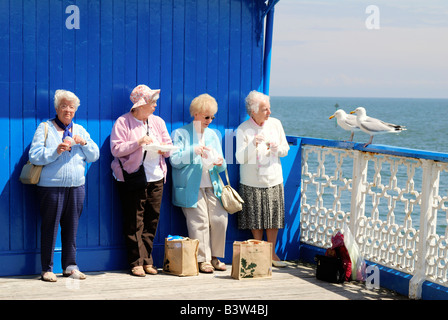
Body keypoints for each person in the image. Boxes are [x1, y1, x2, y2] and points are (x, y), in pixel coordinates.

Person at [29, 89, 100, 282]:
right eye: (63, 106)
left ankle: (70, 266)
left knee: (72, 227)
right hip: (51, 187)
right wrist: (55, 151)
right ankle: (47, 269)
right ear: (57, 108)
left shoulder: (80, 130)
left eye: (71, 107)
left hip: (76, 187)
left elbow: (94, 155)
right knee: (50, 228)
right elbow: (34, 155)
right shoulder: (45, 128)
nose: (67, 110)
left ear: (75, 110)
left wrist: (84, 143)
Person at [110, 84, 172, 277]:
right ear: (140, 104)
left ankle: (147, 260)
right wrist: (138, 143)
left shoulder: (158, 122)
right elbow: (116, 149)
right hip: (133, 176)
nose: (155, 105)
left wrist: (162, 148)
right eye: (152, 102)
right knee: (134, 220)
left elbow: (168, 147)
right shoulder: (123, 122)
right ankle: (136, 261)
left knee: (152, 219)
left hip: (157, 176)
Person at [170, 94, 228, 273]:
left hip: (213, 184)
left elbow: (222, 164)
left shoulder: (213, 135)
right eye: (206, 116)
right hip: (190, 186)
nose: (210, 120)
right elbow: (174, 160)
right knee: (199, 221)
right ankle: (203, 259)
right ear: (196, 114)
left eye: (212, 117)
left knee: (220, 219)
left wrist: (220, 163)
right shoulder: (181, 133)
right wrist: (193, 150)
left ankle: (215, 256)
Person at [235, 90, 290, 267]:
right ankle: (259, 252)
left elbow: (285, 150)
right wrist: (253, 145)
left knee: (273, 218)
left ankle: (272, 254)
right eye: (265, 109)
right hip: (251, 181)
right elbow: (239, 158)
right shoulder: (243, 129)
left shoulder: (275, 124)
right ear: (253, 111)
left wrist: (275, 148)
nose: (269, 112)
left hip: (273, 178)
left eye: (269, 108)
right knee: (255, 219)